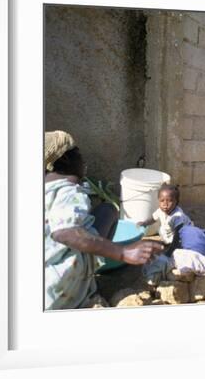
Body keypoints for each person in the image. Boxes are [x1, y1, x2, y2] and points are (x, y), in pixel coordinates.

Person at [44, 130, 164, 310]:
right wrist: (122, 252)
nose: (83, 158)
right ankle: (82, 287)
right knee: (108, 211)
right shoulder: (68, 192)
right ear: (66, 160)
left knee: (103, 212)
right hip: (58, 291)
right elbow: (65, 232)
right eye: (77, 152)